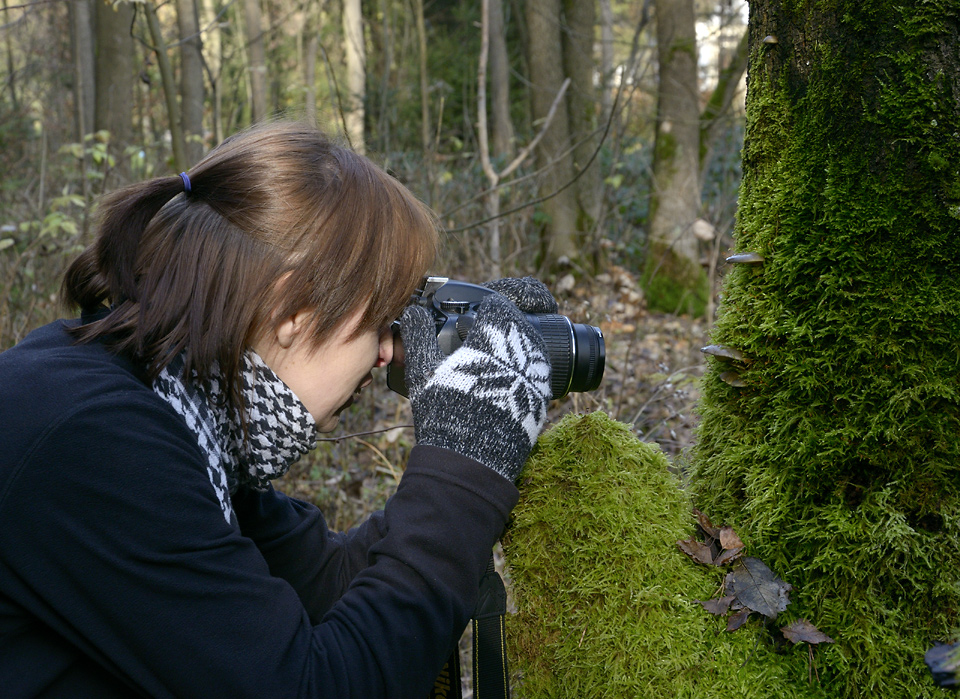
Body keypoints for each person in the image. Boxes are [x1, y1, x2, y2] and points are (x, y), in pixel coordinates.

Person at [0, 121, 557, 697]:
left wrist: (477, 435)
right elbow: (315, 686)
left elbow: (327, 584)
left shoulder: (182, 409)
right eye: (383, 319)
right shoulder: (94, 438)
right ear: (294, 310)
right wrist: (465, 470)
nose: (389, 351)